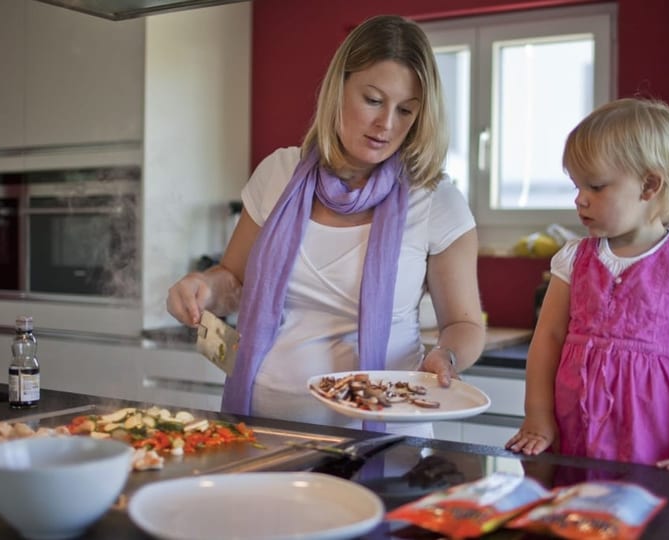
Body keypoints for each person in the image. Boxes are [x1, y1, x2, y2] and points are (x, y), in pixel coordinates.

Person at [165, 14, 485, 438]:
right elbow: (233, 281)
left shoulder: (436, 199)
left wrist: (446, 355)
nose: (386, 124)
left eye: (405, 110)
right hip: (266, 430)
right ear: (339, 89)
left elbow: (465, 324)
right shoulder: (277, 173)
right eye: (372, 100)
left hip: (385, 439)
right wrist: (202, 288)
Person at [504, 98, 669, 539]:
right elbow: (548, 338)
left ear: (649, 186)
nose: (579, 200)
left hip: (656, 442)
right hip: (578, 437)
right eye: (576, 186)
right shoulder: (573, 259)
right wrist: (537, 415)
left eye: (594, 186)